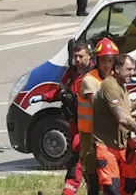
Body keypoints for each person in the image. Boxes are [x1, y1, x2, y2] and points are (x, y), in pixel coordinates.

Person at [93, 53, 136, 195]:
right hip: (107, 146)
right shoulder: (109, 85)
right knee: (112, 189)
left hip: (123, 145)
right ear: (117, 69)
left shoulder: (121, 86)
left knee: (130, 184)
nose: (132, 73)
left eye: (133, 69)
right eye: (128, 69)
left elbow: (125, 108)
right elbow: (121, 118)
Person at [77, 37, 118, 195]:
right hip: (89, 133)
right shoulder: (89, 80)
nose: (107, 65)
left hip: (107, 133)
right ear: (97, 61)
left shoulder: (115, 77)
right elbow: (99, 108)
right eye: (103, 61)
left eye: (110, 61)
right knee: (92, 171)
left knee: (108, 172)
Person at [60, 41, 93, 195]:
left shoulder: (93, 75)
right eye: (75, 57)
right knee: (85, 166)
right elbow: (60, 90)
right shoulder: (72, 73)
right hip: (75, 124)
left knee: (77, 163)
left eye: (81, 56)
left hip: (88, 128)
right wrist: (42, 97)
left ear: (89, 56)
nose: (78, 60)